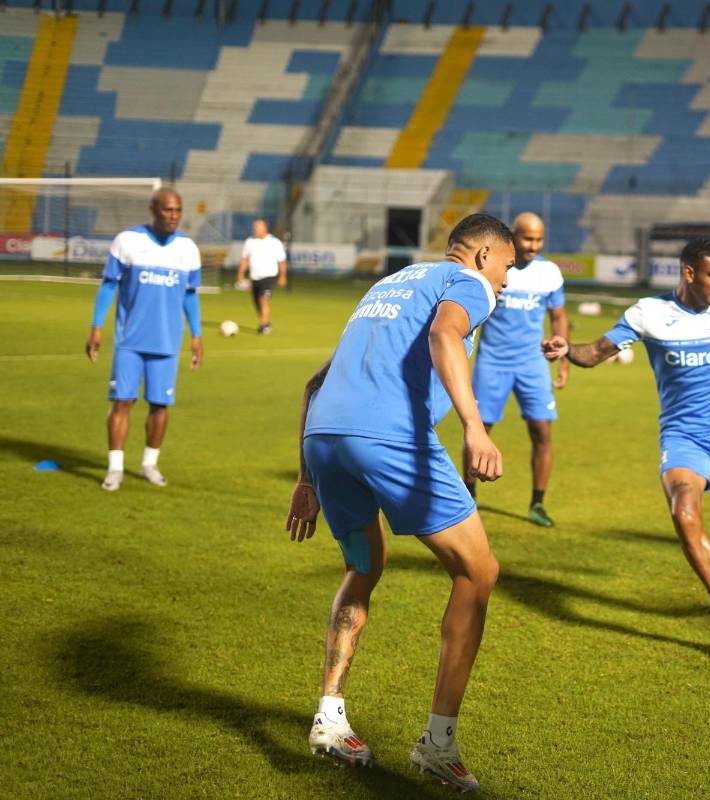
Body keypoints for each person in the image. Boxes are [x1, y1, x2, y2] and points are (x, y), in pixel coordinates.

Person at [285, 214, 515, 792]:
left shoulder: (392, 282)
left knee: (364, 565)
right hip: (387, 437)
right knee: (478, 571)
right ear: (484, 255)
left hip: (326, 437)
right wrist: (474, 426)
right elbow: (444, 335)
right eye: (510, 266)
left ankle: (329, 717)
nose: (508, 281)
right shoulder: (470, 284)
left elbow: (316, 382)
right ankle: (438, 745)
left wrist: (307, 478)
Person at [541, 238, 710, 660]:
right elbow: (595, 352)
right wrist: (566, 350)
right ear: (689, 274)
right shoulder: (650, 314)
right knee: (684, 513)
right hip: (684, 435)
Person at [86, 187, 203, 492]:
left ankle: (149, 464)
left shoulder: (188, 249)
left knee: (160, 405)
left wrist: (197, 335)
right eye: (167, 210)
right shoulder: (128, 241)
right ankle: (115, 469)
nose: (173, 216)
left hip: (167, 343)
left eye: (178, 210)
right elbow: (109, 285)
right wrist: (96, 327)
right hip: (130, 341)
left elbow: (190, 295)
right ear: (153, 209)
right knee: (121, 402)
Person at [464, 212, 569, 527]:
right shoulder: (494, 267)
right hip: (492, 362)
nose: (534, 245)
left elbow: (559, 316)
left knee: (542, 432)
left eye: (539, 239)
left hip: (532, 364)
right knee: (478, 431)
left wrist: (562, 356)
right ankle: (468, 498)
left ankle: (538, 504)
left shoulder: (549, 273)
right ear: (513, 235)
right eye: (528, 238)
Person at [235, 218, 288, 334]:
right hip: (254, 277)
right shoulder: (250, 242)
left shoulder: (275, 242)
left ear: (264, 228)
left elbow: (282, 261)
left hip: (269, 276)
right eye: (254, 227)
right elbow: (245, 259)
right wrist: (240, 275)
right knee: (257, 303)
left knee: (263, 299)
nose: (254, 229)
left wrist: (282, 277)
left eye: (257, 227)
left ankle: (263, 325)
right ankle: (266, 322)